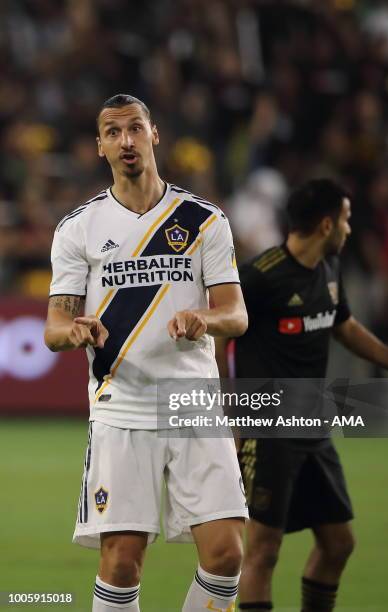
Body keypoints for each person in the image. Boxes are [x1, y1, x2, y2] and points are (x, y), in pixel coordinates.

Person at [44, 93, 249, 612]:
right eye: (113, 132)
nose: (126, 141)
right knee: (121, 562)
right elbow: (54, 327)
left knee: (226, 554)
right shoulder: (79, 229)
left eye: (135, 128)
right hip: (123, 405)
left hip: (193, 403)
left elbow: (236, 314)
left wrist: (204, 317)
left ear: (154, 135)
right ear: (99, 147)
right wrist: (76, 332)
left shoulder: (204, 220)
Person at [215, 179, 388, 612]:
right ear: (326, 224)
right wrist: (233, 414)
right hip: (268, 432)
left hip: (313, 428)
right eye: (346, 219)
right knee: (263, 551)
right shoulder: (260, 277)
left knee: (338, 544)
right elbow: (219, 337)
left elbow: (345, 327)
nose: (349, 229)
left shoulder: (328, 268)